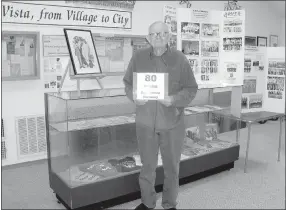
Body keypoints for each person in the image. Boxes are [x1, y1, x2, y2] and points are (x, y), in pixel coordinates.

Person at [123, 21, 198, 210]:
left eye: (163, 33)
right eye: (154, 34)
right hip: (145, 123)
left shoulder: (180, 59)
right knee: (147, 167)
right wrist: (133, 96)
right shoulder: (138, 58)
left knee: (172, 168)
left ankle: (169, 203)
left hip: (172, 123)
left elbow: (191, 88)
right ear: (148, 38)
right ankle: (147, 203)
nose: (159, 37)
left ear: (169, 36)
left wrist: (173, 99)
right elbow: (128, 83)